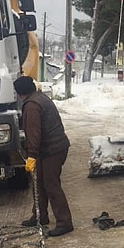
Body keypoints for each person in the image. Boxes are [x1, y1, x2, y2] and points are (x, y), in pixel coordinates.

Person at [14, 76, 74, 237]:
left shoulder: (32, 105)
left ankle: (64, 222)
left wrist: (31, 155)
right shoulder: (39, 97)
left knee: (51, 185)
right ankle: (40, 216)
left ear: (19, 93)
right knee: (39, 183)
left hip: (52, 150)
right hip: (51, 148)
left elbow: (34, 133)